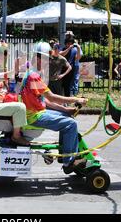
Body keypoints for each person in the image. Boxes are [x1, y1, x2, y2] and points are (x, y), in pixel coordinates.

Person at [20, 42, 88, 172]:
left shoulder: (31, 73)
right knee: (71, 125)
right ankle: (69, 161)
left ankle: (65, 154)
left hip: (36, 112)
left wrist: (65, 109)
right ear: (38, 58)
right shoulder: (34, 76)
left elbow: (45, 100)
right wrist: (76, 99)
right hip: (34, 116)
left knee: (69, 118)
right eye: (46, 59)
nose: (48, 63)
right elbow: (52, 97)